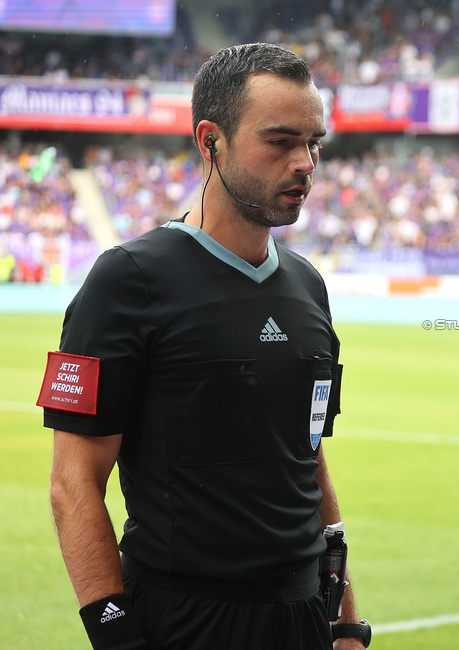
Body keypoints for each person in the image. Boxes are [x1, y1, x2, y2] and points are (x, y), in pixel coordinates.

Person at [41, 43, 369, 649]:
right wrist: (115, 635)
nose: (305, 162)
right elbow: (74, 480)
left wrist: (346, 618)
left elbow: (307, 455)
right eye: (280, 141)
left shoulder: (308, 287)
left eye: (314, 142)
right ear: (209, 140)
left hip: (303, 618)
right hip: (185, 621)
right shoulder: (126, 280)